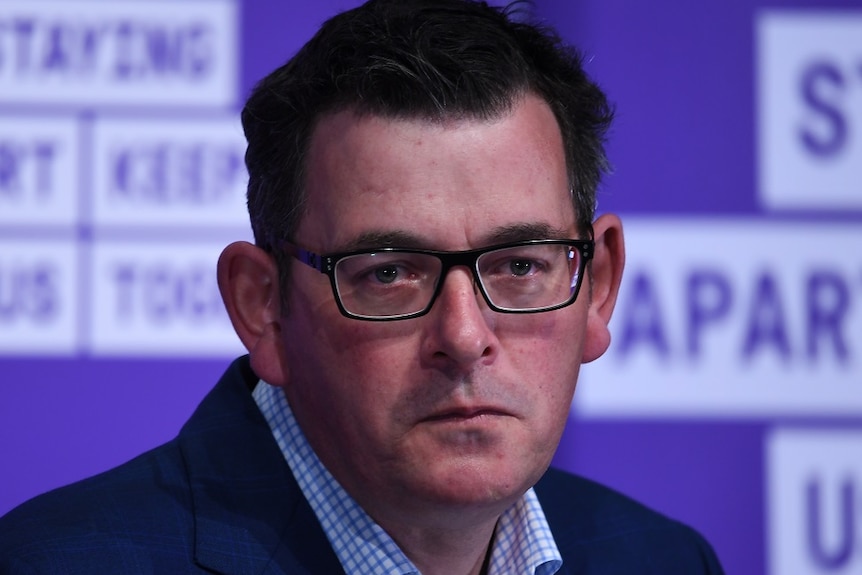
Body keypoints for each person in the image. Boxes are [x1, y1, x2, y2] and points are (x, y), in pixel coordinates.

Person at [0, 0, 725, 573]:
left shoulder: (662, 559)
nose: (465, 337)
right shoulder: (54, 563)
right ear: (263, 307)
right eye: (388, 273)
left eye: (519, 264)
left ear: (597, 288)